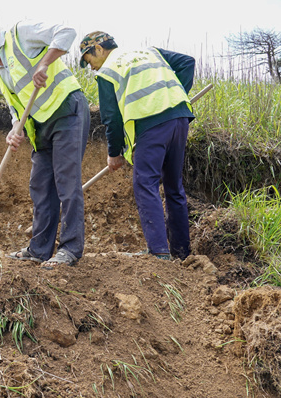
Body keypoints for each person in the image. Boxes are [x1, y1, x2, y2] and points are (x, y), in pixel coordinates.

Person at [0, 17, 89, 269]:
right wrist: (14, 127)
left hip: (66, 111)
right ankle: (39, 250)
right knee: (40, 185)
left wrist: (44, 63)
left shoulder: (20, 35)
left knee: (66, 181)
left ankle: (70, 249)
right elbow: (15, 106)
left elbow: (66, 31)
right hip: (39, 125)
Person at [79, 31, 195, 260]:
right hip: (179, 118)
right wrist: (175, 95)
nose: (91, 67)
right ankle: (181, 252)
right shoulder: (150, 51)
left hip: (150, 125)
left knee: (145, 184)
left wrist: (114, 153)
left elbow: (111, 117)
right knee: (174, 187)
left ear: (99, 49)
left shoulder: (108, 72)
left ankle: (159, 252)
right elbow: (187, 62)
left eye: (88, 60)